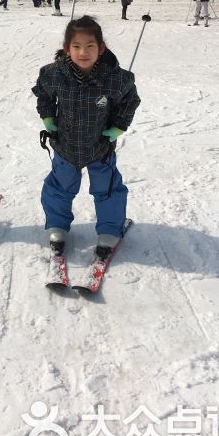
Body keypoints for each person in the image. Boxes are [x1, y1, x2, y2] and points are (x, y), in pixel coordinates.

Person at [32, 15, 140, 256]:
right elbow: (44, 95)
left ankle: (110, 229)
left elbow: (129, 102)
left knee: (108, 188)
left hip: (99, 147)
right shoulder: (54, 74)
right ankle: (57, 225)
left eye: (90, 46)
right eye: (77, 46)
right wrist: (48, 119)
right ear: (67, 49)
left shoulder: (115, 78)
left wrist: (117, 128)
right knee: (59, 188)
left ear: (100, 48)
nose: (83, 52)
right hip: (66, 145)